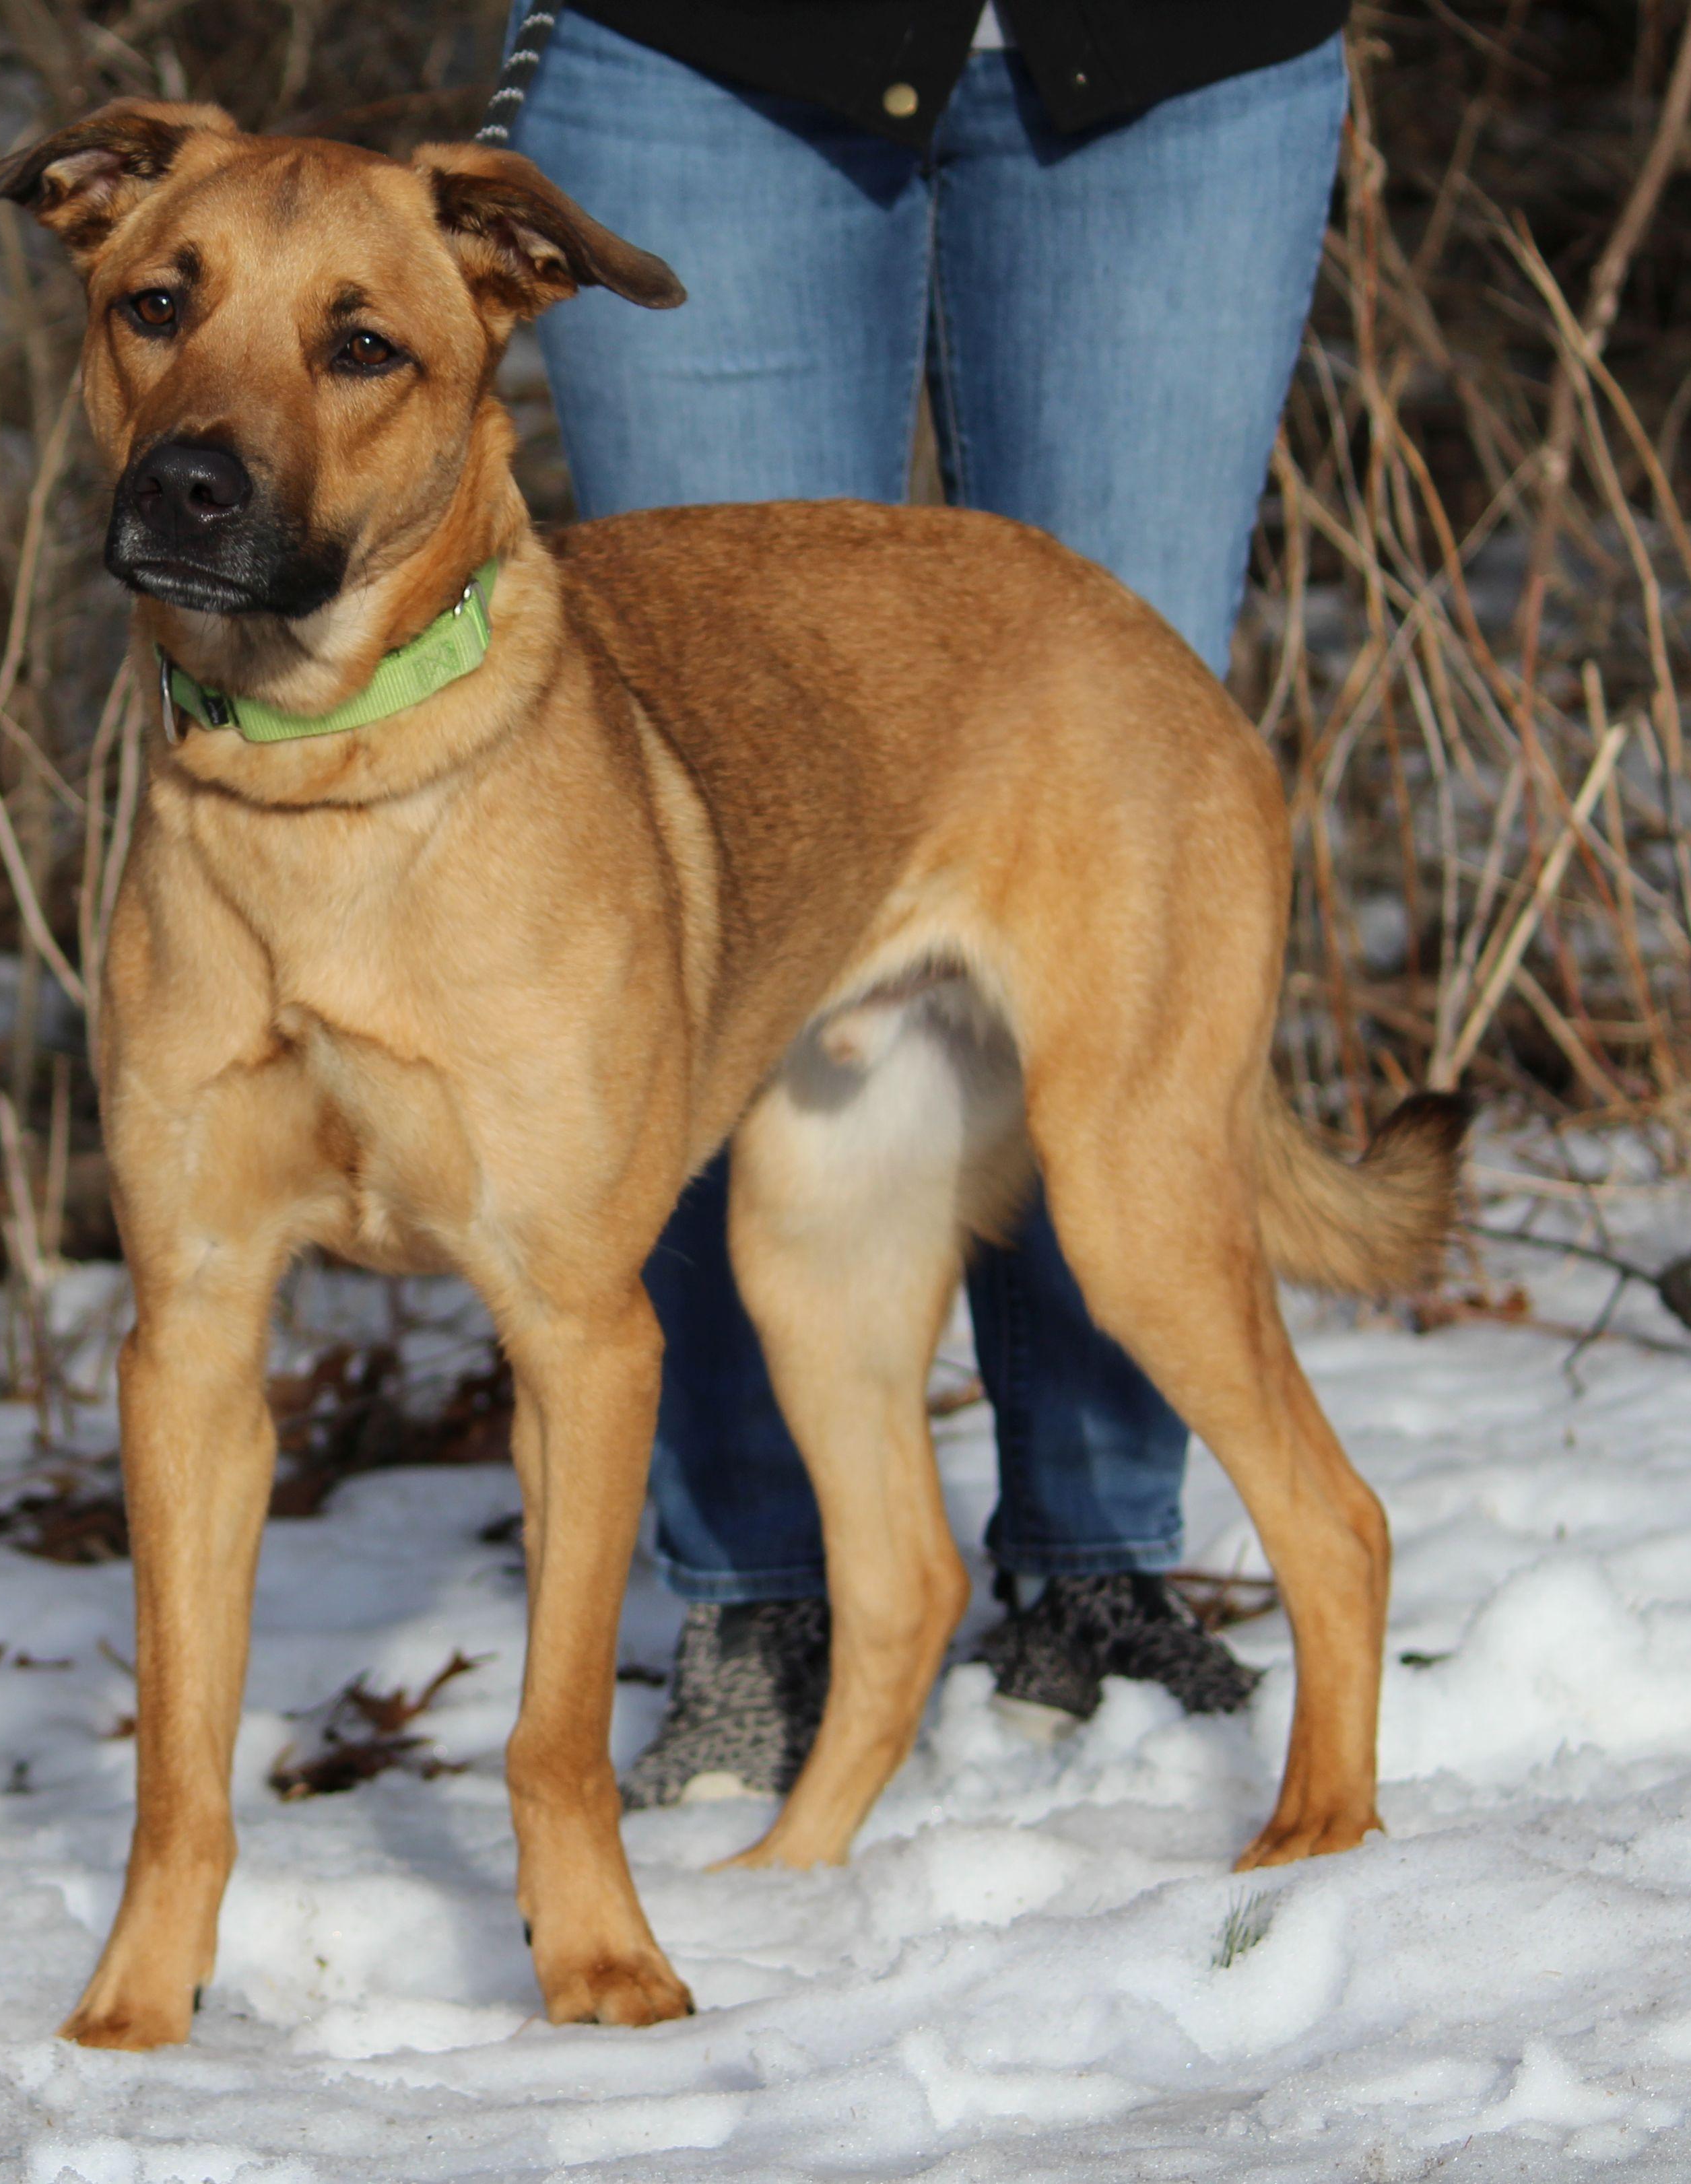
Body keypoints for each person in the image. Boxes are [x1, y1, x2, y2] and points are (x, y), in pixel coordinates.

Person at [509, 0, 1350, 1806]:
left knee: (1109, 770)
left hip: (1184, 65)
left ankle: (1101, 1559)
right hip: (702, 54)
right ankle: (757, 1596)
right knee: (698, 856)